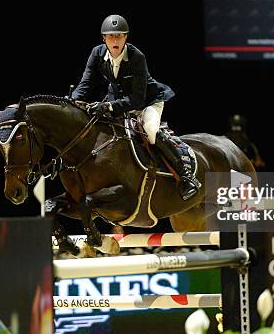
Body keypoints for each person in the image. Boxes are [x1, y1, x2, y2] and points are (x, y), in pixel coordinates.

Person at [71, 14, 200, 201]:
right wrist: (72, 102)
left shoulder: (137, 57)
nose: (115, 40)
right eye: (111, 36)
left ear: (126, 37)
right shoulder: (97, 54)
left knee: (150, 130)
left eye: (120, 36)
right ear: (103, 38)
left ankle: (185, 175)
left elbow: (138, 99)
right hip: (118, 102)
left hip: (148, 102)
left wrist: (108, 106)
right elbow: (85, 84)